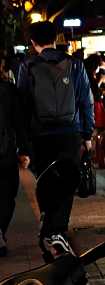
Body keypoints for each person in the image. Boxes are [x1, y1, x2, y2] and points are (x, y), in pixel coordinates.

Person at [17, 21, 94, 259]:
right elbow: (85, 101)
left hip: (39, 134)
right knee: (66, 180)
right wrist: (88, 133)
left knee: (44, 180)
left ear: (32, 42)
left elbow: (23, 104)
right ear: (56, 37)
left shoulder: (27, 66)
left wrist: (23, 140)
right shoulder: (74, 64)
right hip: (71, 132)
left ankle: (49, 222)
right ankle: (58, 230)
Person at [0, 78, 31, 257]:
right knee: (7, 195)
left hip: (6, 153)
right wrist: (24, 151)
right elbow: (20, 123)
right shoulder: (9, 90)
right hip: (5, 153)